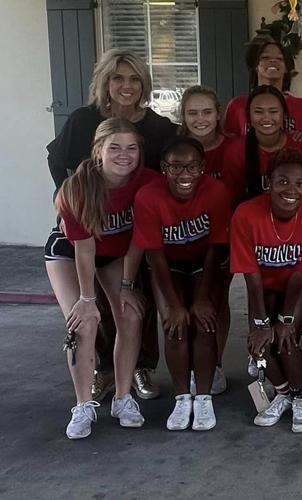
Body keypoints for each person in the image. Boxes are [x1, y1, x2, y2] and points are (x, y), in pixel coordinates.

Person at [47, 48, 176, 403]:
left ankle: (140, 367)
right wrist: (68, 201)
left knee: (135, 301)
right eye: (118, 77)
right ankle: (101, 373)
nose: (127, 85)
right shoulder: (82, 121)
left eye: (135, 78)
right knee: (89, 310)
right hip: (88, 226)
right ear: (104, 81)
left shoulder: (157, 126)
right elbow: (56, 160)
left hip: (131, 231)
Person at [46, 118, 152, 439]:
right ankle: (83, 405)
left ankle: (122, 398)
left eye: (132, 148)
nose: (124, 155)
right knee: (85, 322)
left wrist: (126, 286)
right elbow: (85, 250)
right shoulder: (77, 187)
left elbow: (138, 240)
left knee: (130, 315)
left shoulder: (146, 182)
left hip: (116, 255)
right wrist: (88, 300)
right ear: (98, 151)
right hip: (71, 254)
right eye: (115, 147)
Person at [132, 137, 231, 430]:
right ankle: (181, 398)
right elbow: (155, 255)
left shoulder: (217, 192)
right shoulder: (148, 196)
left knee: (204, 322)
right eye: (176, 167)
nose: (184, 175)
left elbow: (215, 248)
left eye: (191, 167)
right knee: (174, 325)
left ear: (203, 168)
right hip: (168, 265)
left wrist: (202, 298)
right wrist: (175, 305)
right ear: (163, 168)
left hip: (205, 263)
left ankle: (203, 398)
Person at [230, 149, 302, 432]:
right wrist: (261, 323)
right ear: (268, 183)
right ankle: (283, 394)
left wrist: (285, 320)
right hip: (262, 285)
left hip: (296, 285)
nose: (292, 190)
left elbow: (301, 273)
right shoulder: (246, 214)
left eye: (300, 184)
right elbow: (250, 273)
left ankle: (301, 397)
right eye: (283, 182)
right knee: (260, 344)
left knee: (286, 338)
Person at [177, 86, 236, 392]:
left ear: (218, 113)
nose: (201, 119)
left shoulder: (233, 148)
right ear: (183, 117)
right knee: (184, 303)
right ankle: (187, 365)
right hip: (180, 240)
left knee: (216, 301)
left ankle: (214, 363)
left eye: (207, 112)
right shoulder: (173, 150)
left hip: (221, 239)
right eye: (193, 113)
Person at [223, 37, 302, 139]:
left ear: (286, 67)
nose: (272, 61)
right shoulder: (237, 106)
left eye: (279, 58)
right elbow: (228, 146)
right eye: (265, 58)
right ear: (256, 66)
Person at [221, 85, 302, 202]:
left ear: (284, 115)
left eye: (273, 111)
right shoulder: (236, 152)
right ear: (249, 117)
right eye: (258, 111)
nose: (266, 118)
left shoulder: (299, 147)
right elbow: (231, 199)